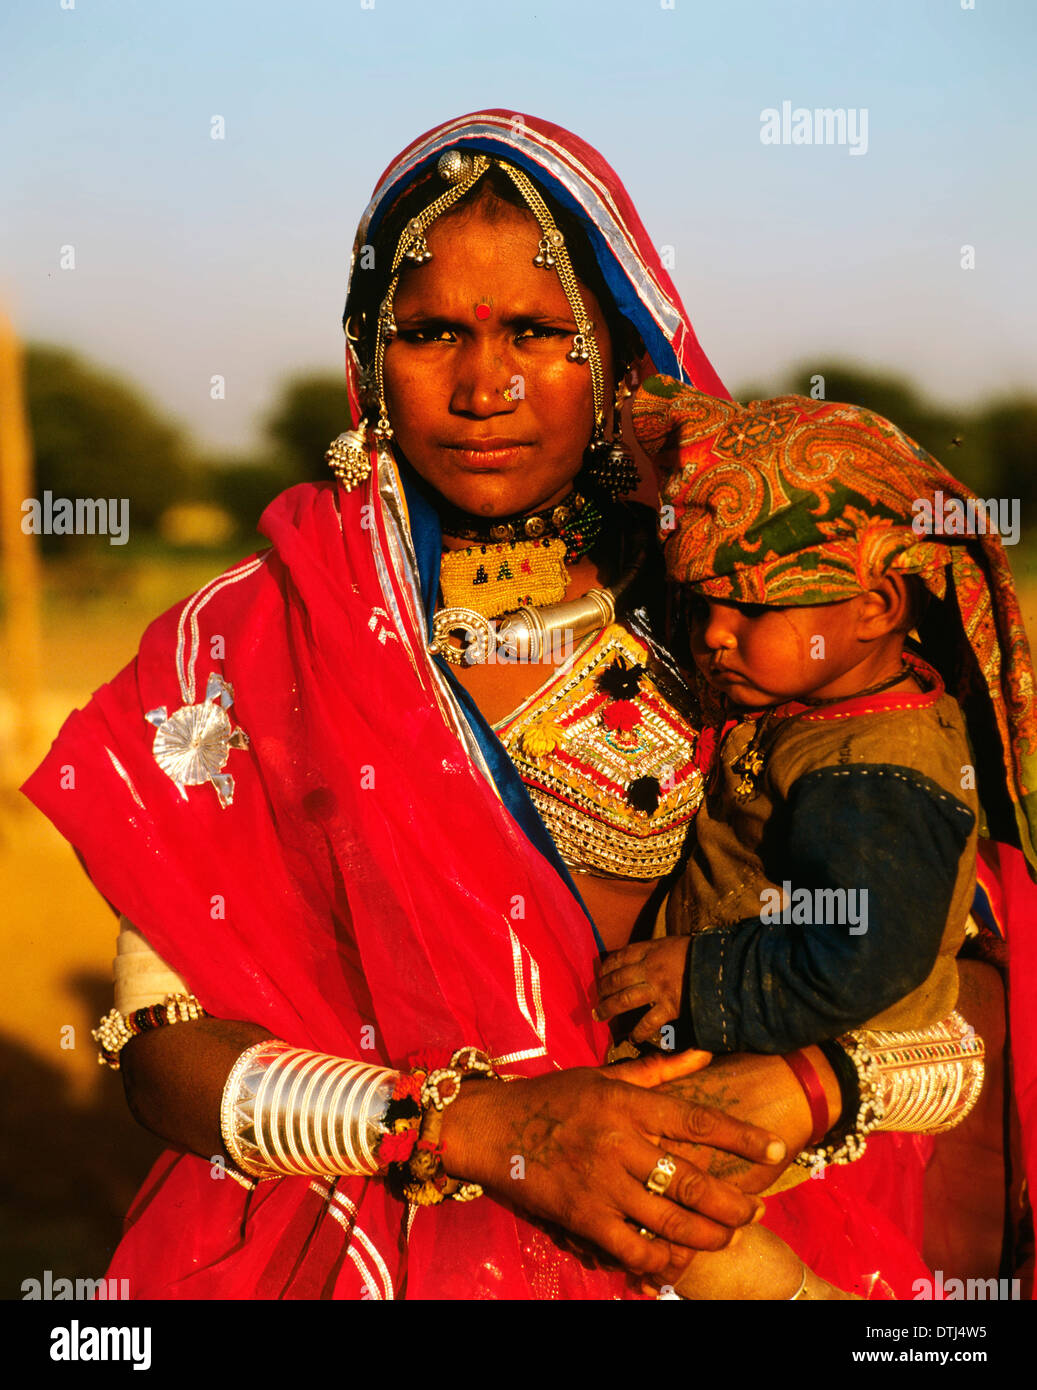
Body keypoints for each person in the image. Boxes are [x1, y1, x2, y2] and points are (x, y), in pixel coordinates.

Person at [22, 112, 995, 1300]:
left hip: (697, 1226)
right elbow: (159, 1050)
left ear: (617, 349)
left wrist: (796, 1088)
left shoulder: (730, 618)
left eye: (536, 332)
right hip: (367, 1233)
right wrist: (486, 1131)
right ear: (367, 353)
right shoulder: (263, 629)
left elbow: (942, 1021)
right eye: (431, 332)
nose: (486, 386)